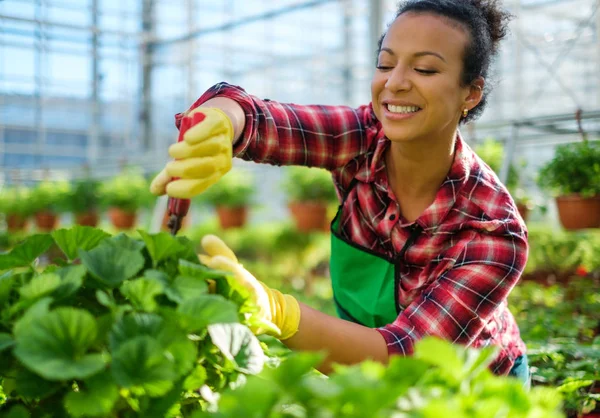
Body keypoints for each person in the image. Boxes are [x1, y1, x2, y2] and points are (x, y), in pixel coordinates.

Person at [151, 0, 530, 385]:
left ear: (471, 94)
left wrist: (277, 311)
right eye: (385, 64)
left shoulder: (493, 230)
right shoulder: (363, 138)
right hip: (360, 361)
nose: (395, 82)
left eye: (425, 69)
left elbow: (406, 357)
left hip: (474, 385)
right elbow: (263, 121)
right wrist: (223, 120)